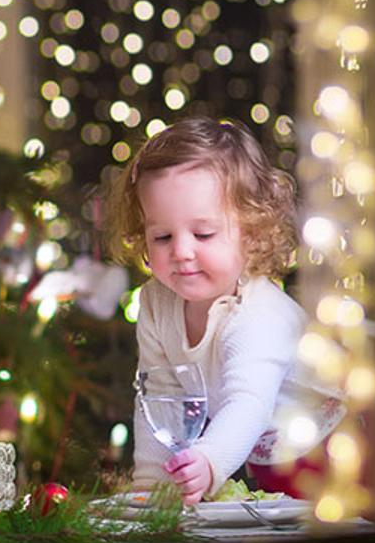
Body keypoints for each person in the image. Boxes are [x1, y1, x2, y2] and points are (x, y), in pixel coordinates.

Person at [105, 117, 349, 504]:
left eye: (203, 234)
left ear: (251, 233)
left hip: (326, 448)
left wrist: (209, 459)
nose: (182, 251)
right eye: (162, 236)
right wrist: (149, 487)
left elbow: (247, 403)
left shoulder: (260, 314)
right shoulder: (155, 302)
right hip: (259, 452)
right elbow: (161, 397)